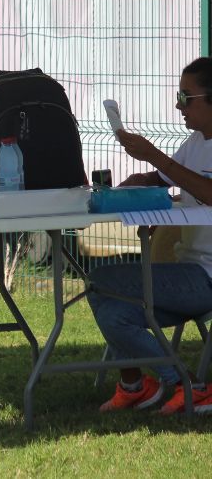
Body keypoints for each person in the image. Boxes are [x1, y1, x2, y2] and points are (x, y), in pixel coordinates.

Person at [88, 56, 212, 414]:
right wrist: (140, 180)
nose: (178, 106)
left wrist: (154, 156)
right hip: (191, 271)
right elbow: (164, 179)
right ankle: (135, 385)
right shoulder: (197, 141)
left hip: (205, 280)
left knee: (100, 279)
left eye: (186, 98)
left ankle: (186, 384)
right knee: (111, 307)